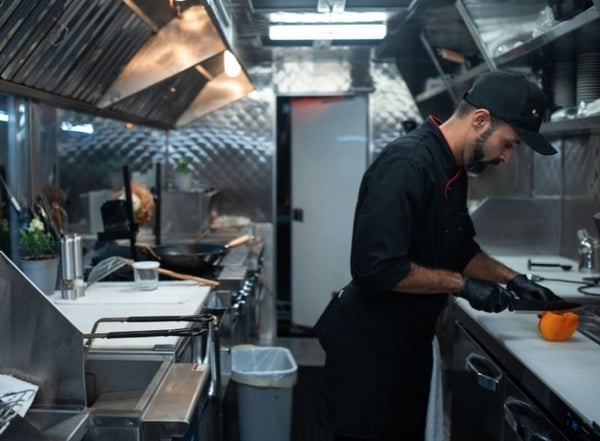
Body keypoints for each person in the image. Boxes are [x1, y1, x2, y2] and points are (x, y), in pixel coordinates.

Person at [314, 71, 565, 441]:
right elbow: (377, 268)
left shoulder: (454, 167)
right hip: (371, 347)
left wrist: (513, 279)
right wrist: (465, 287)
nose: (507, 157)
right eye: (509, 143)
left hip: (409, 341)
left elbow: (461, 250)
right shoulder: (408, 163)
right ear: (481, 120)